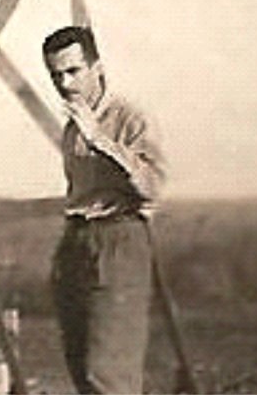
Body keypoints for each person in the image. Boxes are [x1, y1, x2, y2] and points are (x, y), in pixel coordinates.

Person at [42, 26, 166, 394]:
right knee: (82, 371)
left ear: (96, 68)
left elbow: (152, 186)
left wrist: (100, 140)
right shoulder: (73, 126)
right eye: (55, 75)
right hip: (78, 240)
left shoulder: (129, 118)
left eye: (73, 71)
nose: (65, 83)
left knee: (108, 376)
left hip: (119, 239)